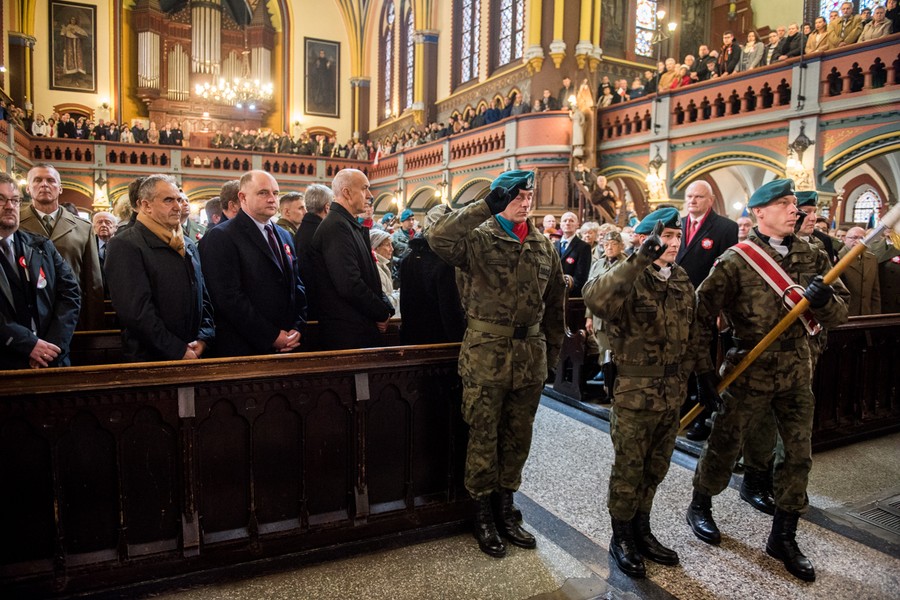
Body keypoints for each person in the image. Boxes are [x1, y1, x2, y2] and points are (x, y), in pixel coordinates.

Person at [687, 179, 849, 583]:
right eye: (784, 204)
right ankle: (701, 505)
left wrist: (826, 302)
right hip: (748, 371)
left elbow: (841, 312)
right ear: (760, 213)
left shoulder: (814, 255)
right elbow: (700, 317)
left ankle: (783, 535)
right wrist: (704, 372)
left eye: (795, 204)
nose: (795, 210)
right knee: (725, 445)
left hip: (797, 371)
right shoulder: (736, 260)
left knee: (797, 454)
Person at [426, 170, 566, 559]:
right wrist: (486, 205)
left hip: (530, 358)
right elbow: (438, 238)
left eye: (529, 195)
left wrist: (551, 356)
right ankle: (482, 513)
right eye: (517, 196)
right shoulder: (477, 238)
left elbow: (554, 307)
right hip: (486, 355)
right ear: (501, 198)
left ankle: (506, 506)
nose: (525, 202)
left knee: (518, 438)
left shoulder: (542, 246)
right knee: (483, 436)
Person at [583, 208, 711, 578]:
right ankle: (621, 535)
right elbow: (596, 299)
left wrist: (703, 374)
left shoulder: (682, 279)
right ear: (644, 238)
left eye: (676, 237)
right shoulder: (627, 274)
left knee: (656, 467)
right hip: (636, 391)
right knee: (629, 467)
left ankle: (642, 527)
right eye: (665, 237)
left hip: (672, 391)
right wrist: (639, 259)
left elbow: (694, 331)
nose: (672, 244)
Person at [105, 175, 215, 362]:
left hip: (194, 351)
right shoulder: (125, 245)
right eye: (168, 200)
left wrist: (204, 338)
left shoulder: (187, 244)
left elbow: (203, 297)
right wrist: (177, 350)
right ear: (146, 206)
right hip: (151, 358)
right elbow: (136, 313)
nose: (177, 207)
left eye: (179, 200)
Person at [200, 170, 306, 357]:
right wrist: (271, 336)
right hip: (245, 348)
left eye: (275, 193)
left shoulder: (285, 235)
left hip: (289, 344)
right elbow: (228, 298)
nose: (272, 199)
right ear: (242, 197)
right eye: (263, 193)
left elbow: (297, 284)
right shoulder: (222, 236)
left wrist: (297, 326)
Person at [675, 180, 739, 440]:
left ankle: (701, 416)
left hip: (706, 308)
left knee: (703, 363)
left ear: (710, 200)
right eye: (689, 196)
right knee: (678, 359)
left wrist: (720, 311)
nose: (692, 201)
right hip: (677, 306)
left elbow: (726, 273)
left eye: (699, 197)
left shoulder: (725, 227)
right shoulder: (676, 225)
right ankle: (681, 409)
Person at [0, 172, 80, 369]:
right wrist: (28, 344)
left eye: (15, 200)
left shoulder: (41, 245)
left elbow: (70, 294)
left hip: (51, 359)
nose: (10, 206)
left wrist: (50, 348)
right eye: (0, 200)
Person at [310, 169, 394, 350]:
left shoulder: (348, 224)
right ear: (347, 193)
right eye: (364, 189)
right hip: (348, 333)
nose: (370, 196)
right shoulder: (336, 227)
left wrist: (384, 307)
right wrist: (380, 312)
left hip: (359, 327)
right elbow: (349, 284)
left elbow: (369, 276)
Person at [20, 163, 104, 330]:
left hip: (71, 315)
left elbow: (93, 282)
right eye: (37, 180)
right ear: (28, 189)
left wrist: (94, 326)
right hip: (27, 316)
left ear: (60, 188)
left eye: (51, 180)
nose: (44, 184)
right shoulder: (14, 224)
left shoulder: (83, 227)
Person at [399, 204, 466, 345]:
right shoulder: (443, 262)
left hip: (412, 338)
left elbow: (405, 304)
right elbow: (450, 310)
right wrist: (460, 341)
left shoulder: (409, 258)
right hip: (439, 341)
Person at [292, 184, 333, 320]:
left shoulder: (301, 230)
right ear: (327, 208)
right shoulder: (323, 233)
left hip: (304, 305)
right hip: (321, 309)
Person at [839, 226, 881, 315]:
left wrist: (876, 315)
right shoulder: (838, 258)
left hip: (866, 313)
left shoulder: (871, 258)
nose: (858, 241)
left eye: (861, 238)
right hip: (845, 314)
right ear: (845, 239)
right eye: (854, 238)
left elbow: (875, 292)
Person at [555, 211, 592, 295]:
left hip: (571, 294)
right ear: (560, 224)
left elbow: (581, 275)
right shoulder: (553, 245)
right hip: (553, 294)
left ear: (577, 225)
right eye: (565, 221)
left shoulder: (583, 247)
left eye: (571, 221)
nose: (567, 223)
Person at [370, 229, 399, 315]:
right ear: (375, 247)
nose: (392, 249)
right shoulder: (375, 269)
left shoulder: (382, 264)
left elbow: (387, 292)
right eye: (387, 245)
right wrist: (400, 296)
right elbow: (383, 301)